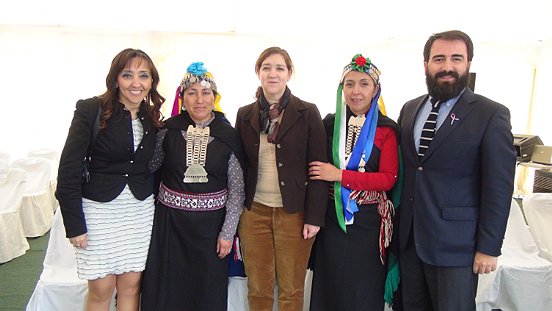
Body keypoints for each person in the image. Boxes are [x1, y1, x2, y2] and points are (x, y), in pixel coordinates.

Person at [397, 30, 517, 311]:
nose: (447, 66)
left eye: (456, 58)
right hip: (409, 242)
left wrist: (489, 247)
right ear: (425, 64)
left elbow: (498, 187)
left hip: (456, 247)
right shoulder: (410, 109)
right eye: (438, 59)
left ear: (468, 64)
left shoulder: (490, 114)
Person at [56, 48, 164, 310]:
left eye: (143, 76)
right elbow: (68, 171)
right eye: (128, 75)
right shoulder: (91, 109)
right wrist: (75, 225)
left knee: (131, 287)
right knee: (102, 289)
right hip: (99, 212)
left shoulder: (153, 118)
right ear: (116, 79)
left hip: (138, 212)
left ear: (152, 82)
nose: (136, 83)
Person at [140, 62, 245, 311]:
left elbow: (237, 190)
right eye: (192, 93)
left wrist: (227, 233)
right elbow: (150, 168)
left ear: (214, 98)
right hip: (170, 227)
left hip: (210, 231)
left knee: (205, 292)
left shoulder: (227, 135)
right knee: (168, 290)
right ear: (182, 98)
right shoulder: (167, 130)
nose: (199, 99)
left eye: (206, 93)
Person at [235, 46, 328, 310]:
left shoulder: (307, 112)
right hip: (254, 214)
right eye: (266, 68)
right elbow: (239, 167)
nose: (272, 74)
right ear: (258, 73)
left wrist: (314, 217)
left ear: (289, 73)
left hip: (295, 214)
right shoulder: (244, 114)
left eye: (279, 68)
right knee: (259, 289)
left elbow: (318, 167)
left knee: (291, 290)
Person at [308, 54, 399, 310]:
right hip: (331, 219)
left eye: (363, 84)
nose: (355, 91)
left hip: (369, 223)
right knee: (329, 285)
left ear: (375, 90)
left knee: (362, 288)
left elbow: (388, 179)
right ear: (341, 89)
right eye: (349, 84)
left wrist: (339, 175)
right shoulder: (328, 125)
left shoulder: (387, 130)